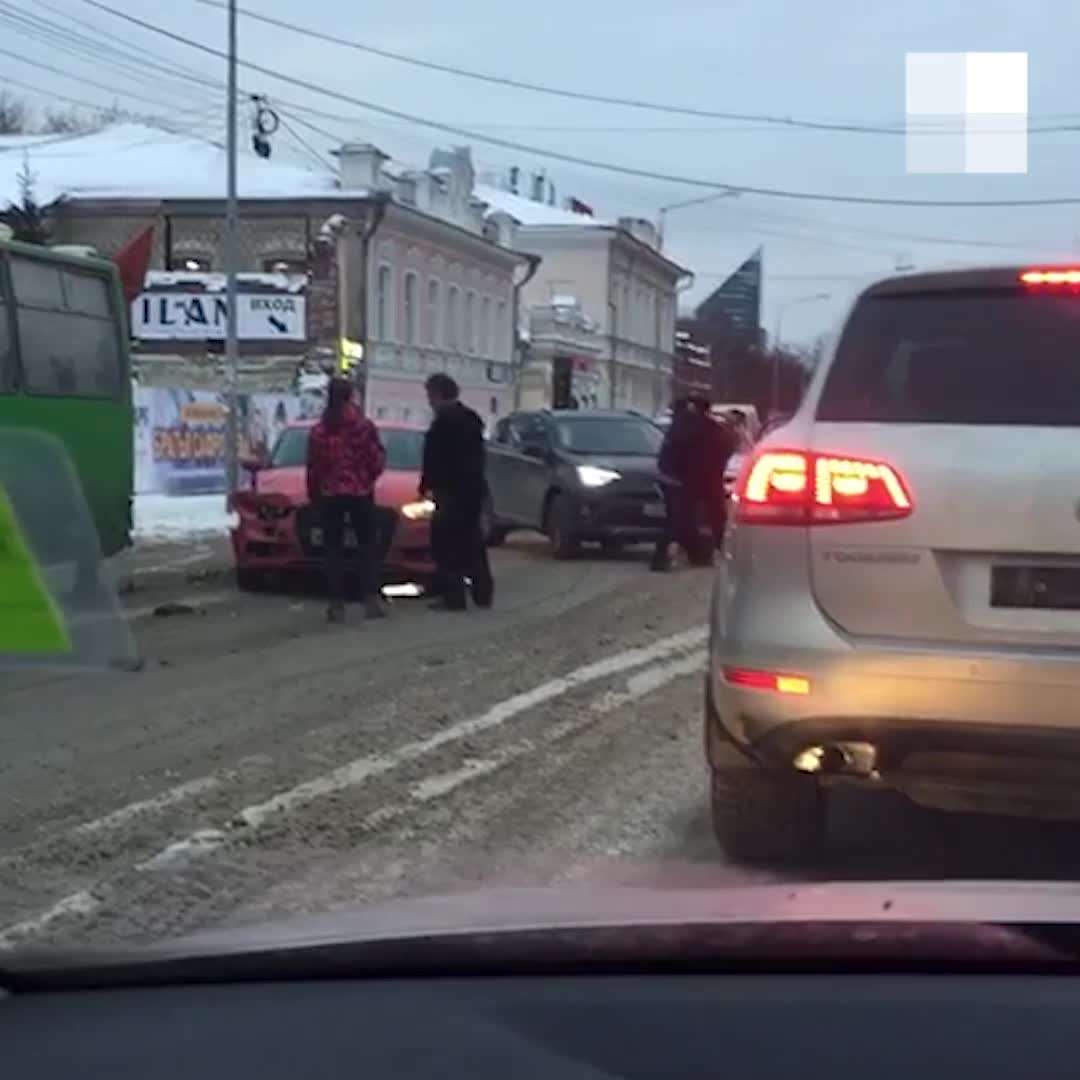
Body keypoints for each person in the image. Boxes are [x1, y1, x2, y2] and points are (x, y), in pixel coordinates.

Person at [306, 377, 388, 623]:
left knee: (333, 549)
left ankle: (335, 603)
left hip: (331, 493)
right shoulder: (363, 426)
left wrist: (315, 494)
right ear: (351, 395)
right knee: (366, 547)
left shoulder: (320, 430)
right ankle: (370, 600)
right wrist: (367, 478)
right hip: (360, 492)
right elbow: (376, 458)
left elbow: (314, 466)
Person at [420, 373, 494, 611]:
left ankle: (454, 596)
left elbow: (435, 460)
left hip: (450, 492)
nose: (429, 401)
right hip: (472, 491)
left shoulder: (443, 423)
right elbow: (478, 458)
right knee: (472, 541)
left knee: (446, 545)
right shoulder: (471, 420)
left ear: (438, 395)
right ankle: (483, 592)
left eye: (430, 395)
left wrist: (426, 486)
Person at [651, 392, 732, 571]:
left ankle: (684, 555)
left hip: (682, 480)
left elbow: (669, 455)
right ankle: (712, 553)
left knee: (678, 520)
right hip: (701, 480)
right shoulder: (711, 428)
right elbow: (725, 450)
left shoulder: (680, 427)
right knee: (713, 518)